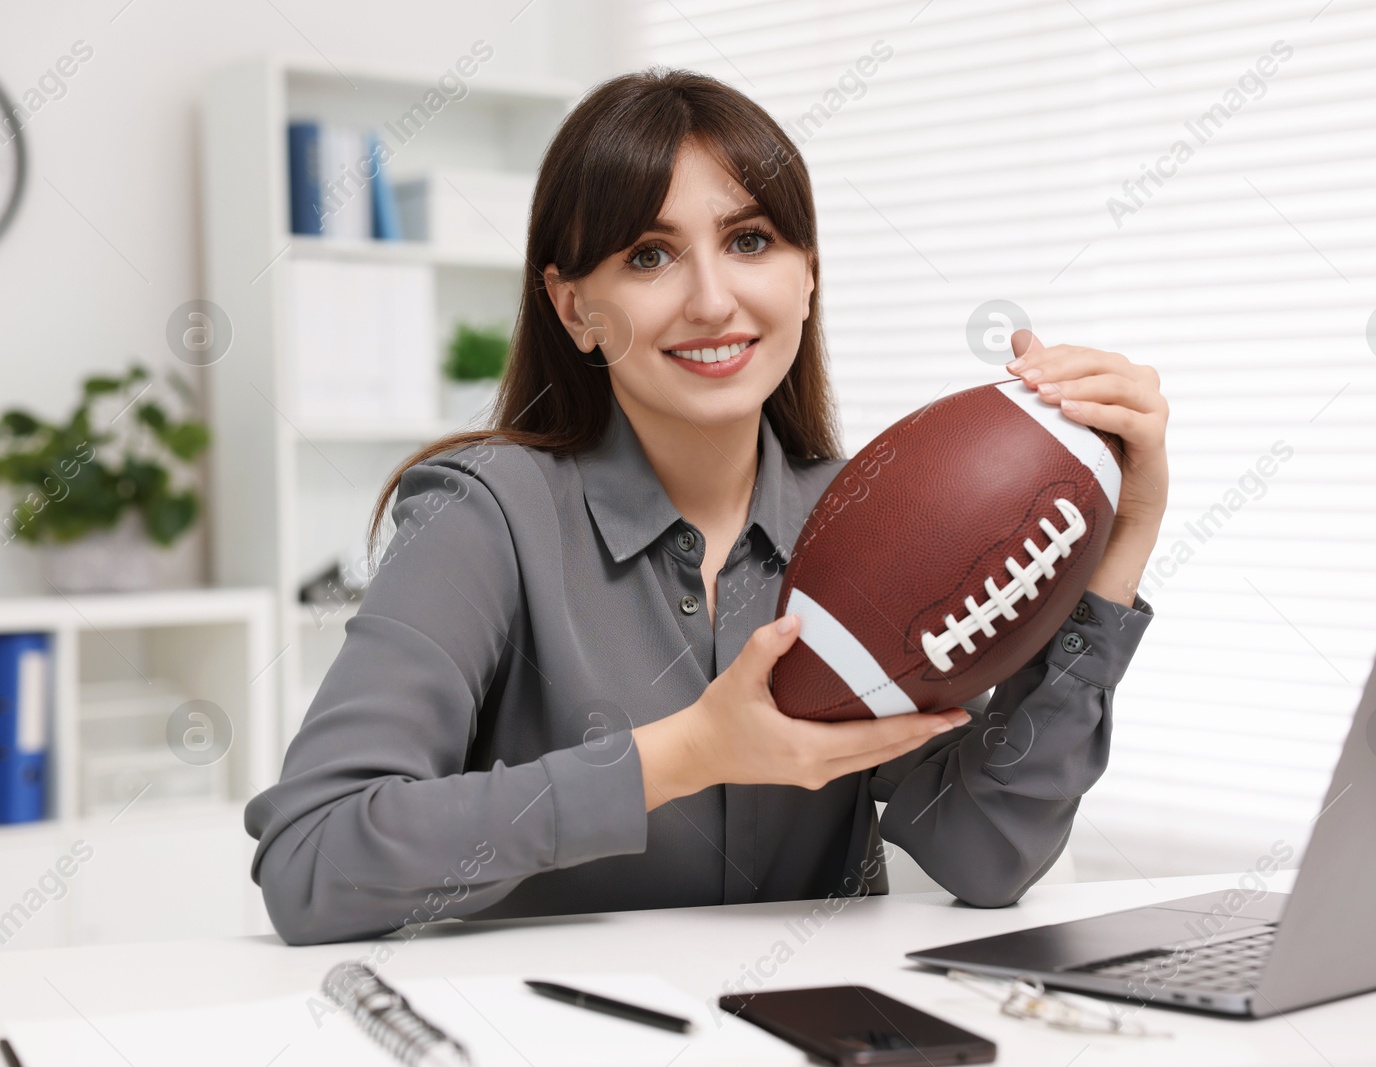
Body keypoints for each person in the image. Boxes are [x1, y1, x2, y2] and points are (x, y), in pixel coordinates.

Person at [244, 67, 1169, 946]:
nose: (712, 299)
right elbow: (313, 858)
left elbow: (988, 853)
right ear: (574, 310)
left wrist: (1117, 551)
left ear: (807, 274)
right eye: (649, 255)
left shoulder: (867, 524)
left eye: (751, 240)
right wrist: (685, 753)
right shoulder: (483, 516)